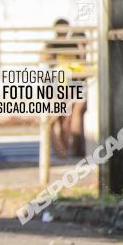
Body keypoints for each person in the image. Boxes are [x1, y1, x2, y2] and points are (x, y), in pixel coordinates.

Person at [41, 19, 87, 158]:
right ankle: (62, 151)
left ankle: (64, 151)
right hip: (59, 85)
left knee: (65, 119)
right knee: (53, 120)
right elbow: (45, 60)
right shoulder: (52, 45)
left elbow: (81, 65)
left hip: (68, 84)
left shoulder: (72, 45)